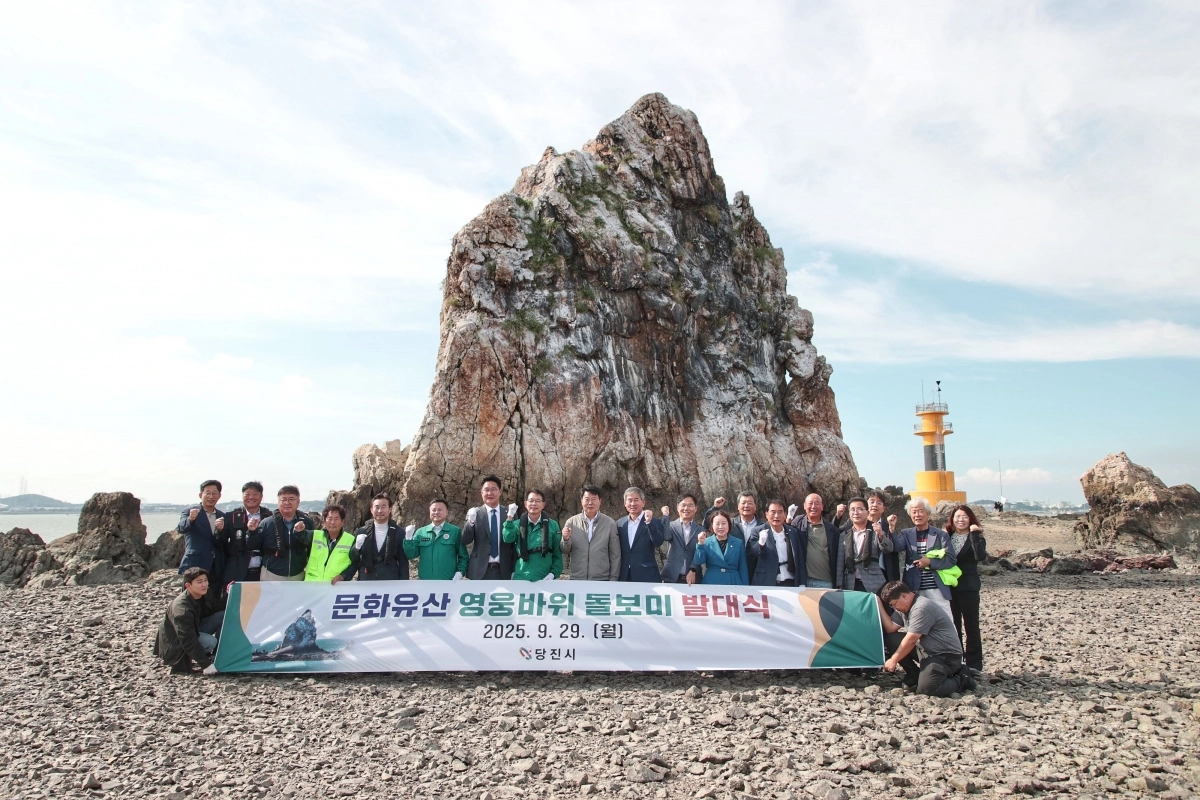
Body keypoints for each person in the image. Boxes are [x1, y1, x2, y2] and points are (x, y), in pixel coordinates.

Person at [879, 581, 976, 696]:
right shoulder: (904, 607)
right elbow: (890, 628)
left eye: (895, 604)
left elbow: (911, 639)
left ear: (904, 596)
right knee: (891, 639)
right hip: (926, 650)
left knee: (928, 689)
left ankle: (962, 678)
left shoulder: (921, 607)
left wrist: (893, 660)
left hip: (945, 655)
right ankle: (913, 674)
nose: (895, 608)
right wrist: (878, 604)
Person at [891, 497, 956, 619]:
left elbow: (951, 559)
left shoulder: (941, 534)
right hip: (914, 587)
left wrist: (930, 562)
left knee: (945, 619)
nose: (917, 515)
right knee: (919, 621)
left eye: (920, 511)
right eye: (914, 512)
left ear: (928, 513)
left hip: (936, 587)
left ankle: (949, 639)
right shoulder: (907, 533)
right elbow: (897, 547)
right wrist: (892, 530)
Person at [154, 567, 226, 675]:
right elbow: (187, 639)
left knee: (223, 616)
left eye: (205, 580)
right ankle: (205, 659)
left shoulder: (205, 592)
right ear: (188, 585)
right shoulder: (182, 608)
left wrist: (229, 593)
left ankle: (217, 657)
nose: (204, 584)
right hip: (176, 642)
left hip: (195, 627)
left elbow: (217, 607)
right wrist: (206, 665)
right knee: (211, 642)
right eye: (199, 582)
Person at [946, 504, 988, 676]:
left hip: (969, 586)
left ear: (970, 519)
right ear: (952, 519)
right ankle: (956, 660)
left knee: (971, 625)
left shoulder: (976, 537)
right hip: (949, 585)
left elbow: (980, 556)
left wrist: (976, 534)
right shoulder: (946, 536)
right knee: (953, 625)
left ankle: (974, 664)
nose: (960, 520)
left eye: (964, 516)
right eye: (957, 517)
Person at [560, 485, 621, 581]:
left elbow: (615, 554)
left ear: (600, 501)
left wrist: (613, 578)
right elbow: (565, 550)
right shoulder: (571, 522)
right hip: (577, 578)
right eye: (587, 499)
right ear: (581, 501)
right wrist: (565, 539)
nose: (590, 503)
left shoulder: (609, 523)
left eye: (594, 499)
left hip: (602, 579)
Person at [463, 475, 517, 580]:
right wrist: (470, 522)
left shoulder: (510, 514)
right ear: (481, 492)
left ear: (500, 491)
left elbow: (514, 544)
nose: (490, 493)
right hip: (479, 570)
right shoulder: (475, 513)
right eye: (486, 490)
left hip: (504, 570)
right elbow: (465, 540)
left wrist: (515, 568)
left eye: (493, 489)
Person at [502, 489, 562, 581]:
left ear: (543, 504)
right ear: (525, 504)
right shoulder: (516, 524)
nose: (534, 504)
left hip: (544, 577)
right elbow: (507, 538)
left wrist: (553, 573)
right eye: (531, 501)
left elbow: (557, 553)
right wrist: (510, 517)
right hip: (521, 576)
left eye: (538, 501)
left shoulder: (553, 525)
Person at [217, 480, 270, 586]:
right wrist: (219, 531)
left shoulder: (268, 516)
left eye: (255, 494)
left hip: (263, 570)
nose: (251, 497)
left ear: (261, 496)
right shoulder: (231, 516)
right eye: (247, 494)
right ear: (242, 496)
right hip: (237, 568)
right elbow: (220, 543)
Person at [257, 485, 314, 581]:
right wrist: (252, 532)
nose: (287, 503)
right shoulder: (266, 523)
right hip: (271, 574)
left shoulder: (307, 522)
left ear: (298, 502)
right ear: (278, 502)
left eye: (291, 499)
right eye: (283, 500)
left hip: (298, 573)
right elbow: (258, 546)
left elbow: (311, 546)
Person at [838, 497, 895, 594]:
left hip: (874, 582)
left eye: (860, 509)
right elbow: (840, 561)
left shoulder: (875, 530)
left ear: (867, 512)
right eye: (852, 509)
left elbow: (889, 548)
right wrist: (839, 584)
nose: (856, 512)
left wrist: (881, 535)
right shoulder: (844, 535)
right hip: (850, 583)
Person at [349, 493, 409, 581]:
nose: (380, 511)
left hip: (390, 578)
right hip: (367, 578)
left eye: (383, 507)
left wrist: (404, 582)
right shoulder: (362, 531)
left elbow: (403, 561)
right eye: (376, 507)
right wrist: (357, 547)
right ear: (371, 510)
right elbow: (353, 558)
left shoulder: (399, 532)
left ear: (390, 509)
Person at [404, 499, 468, 581]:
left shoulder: (455, 531)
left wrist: (460, 572)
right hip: (425, 581)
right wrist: (408, 538)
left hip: (449, 581)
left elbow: (463, 556)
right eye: (433, 510)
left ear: (447, 512)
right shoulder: (421, 532)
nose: (436, 512)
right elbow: (411, 555)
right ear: (429, 512)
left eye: (440, 510)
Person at [177, 480, 226, 577]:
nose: (211, 496)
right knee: (191, 592)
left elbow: (223, 541)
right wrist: (190, 519)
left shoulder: (222, 516)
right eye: (207, 493)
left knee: (215, 592)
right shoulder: (190, 511)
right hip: (195, 563)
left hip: (216, 565)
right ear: (201, 495)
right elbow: (180, 528)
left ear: (219, 496)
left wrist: (221, 531)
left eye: (214, 493)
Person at [748, 499, 802, 587]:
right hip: (767, 581)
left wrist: (802, 582)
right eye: (773, 512)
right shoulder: (757, 531)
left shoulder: (792, 531)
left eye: (780, 512)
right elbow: (753, 553)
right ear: (766, 514)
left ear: (785, 514)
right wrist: (761, 543)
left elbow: (799, 558)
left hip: (790, 581)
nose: (776, 516)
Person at [617, 487, 665, 582]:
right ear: (624, 503)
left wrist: (649, 523)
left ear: (643, 502)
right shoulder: (620, 523)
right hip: (624, 574)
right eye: (629, 500)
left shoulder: (654, 521)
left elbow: (658, 542)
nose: (633, 504)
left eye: (636, 500)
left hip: (646, 575)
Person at [794, 493, 842, 589]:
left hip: (826, 582)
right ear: (804, 506)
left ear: (822, 507)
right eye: (810, 503)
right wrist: (787, 520)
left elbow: (839, 557)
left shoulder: (832, 530)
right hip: (803, 582)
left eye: (817, 503)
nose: (813, 506)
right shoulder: (797, 524)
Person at [688, 510, 748, 585]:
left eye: (724, 523)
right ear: (712, 525)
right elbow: (699, 561)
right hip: (712, 582)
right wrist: (700, 544)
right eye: (717, 524)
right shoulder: (706, 542)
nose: (721, 527)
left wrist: (745, 588)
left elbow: (743, 569)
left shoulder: (738, 543)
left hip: (733, 582)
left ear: (729, 524)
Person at [303, 505, 358, 584]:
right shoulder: (315, 535)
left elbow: (355, 563)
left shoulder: (350, 540)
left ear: (342, 522)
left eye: (336, 519)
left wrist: (343, 576)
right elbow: (301, 535)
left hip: (335, 588)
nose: (332, 522)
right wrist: (298, 530)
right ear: (324, 521)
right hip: (312, 586)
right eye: (330, 519)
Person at [659, 495, 703, 584]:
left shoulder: (700, 529)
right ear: (678, 507)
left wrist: (693, 569)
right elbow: (666, 536)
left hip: (693, 577)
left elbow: (700, 552)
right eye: (683, 505)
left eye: (690, 505)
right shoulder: (671, 526)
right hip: (672, 577)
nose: (686, 508)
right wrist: (665, 516)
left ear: (695, 508)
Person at [867, 491, 902, 583]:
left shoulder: (888, 526)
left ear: (883, 508)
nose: (875, 505)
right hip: (863, 574)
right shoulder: (858, 525)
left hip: (884, 574)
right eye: (872, 501)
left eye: (879, 503)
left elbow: (895, 550)